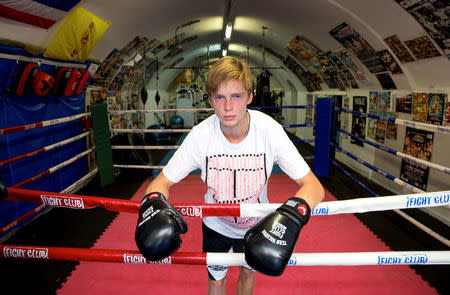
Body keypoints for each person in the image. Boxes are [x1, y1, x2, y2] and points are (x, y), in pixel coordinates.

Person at [135, 56, 324, 295]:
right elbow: (161, 182)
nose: (227, 107)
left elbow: (313, 187)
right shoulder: (200, 136)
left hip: (257, 225)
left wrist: (291, 216)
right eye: (220, 97)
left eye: (236, 96)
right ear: (211, 99)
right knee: (216, 281)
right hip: (216, 226)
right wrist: (154, 204)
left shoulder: (269, 132)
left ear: (250, 96)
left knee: (247, 272)